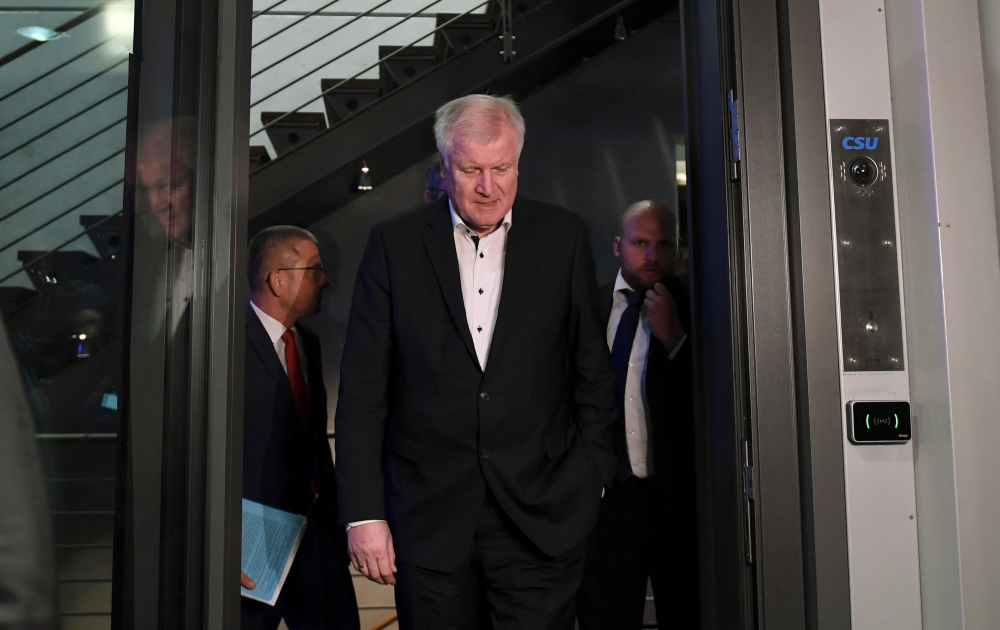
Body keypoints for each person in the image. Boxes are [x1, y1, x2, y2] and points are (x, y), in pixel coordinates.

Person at [335, 94, 617, 630]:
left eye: (502, 168)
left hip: (544, 514)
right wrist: (365, 514)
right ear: (445, 168)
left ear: (518, 162)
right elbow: (363, 392)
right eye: (471, 170)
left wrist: (592, 476)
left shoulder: (563, 237)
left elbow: (591, 372)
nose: (489, 187)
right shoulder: (393, 245)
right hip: (429, 520)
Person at [576, 200, 700, 629]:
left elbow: (720, 400)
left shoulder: (701, 307)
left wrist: (676, 341)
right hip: (608, 504)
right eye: (640, 243)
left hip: (681, 503)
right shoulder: (587, 309)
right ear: (617, 246)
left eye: (663, 244)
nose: (651, 255)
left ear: (678, 249)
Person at [241, 226, 360, 630]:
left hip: (318, 538)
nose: (325, 280)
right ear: (277, 279)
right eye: (314, 269)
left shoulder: (307, 342)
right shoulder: (225, 343)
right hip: (253, 548)